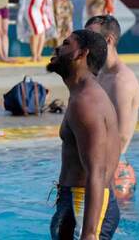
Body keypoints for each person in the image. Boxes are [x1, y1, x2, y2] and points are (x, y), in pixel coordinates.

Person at [47, 29, 120, 239]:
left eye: (66, 44)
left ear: (82, 54)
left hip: (82, 204)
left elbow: (97, 171)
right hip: (79, 201)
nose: (58, 48)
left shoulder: (86, 102)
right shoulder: (80, 94)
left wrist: (89, 232)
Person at [85, 15, 139, 201]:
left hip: (114, 170)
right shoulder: (100, 74)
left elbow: (122, 135)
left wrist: (102, 174)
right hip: (100, 165)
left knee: (115, 226)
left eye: (91, 37)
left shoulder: (121, 81)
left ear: (108, 40)